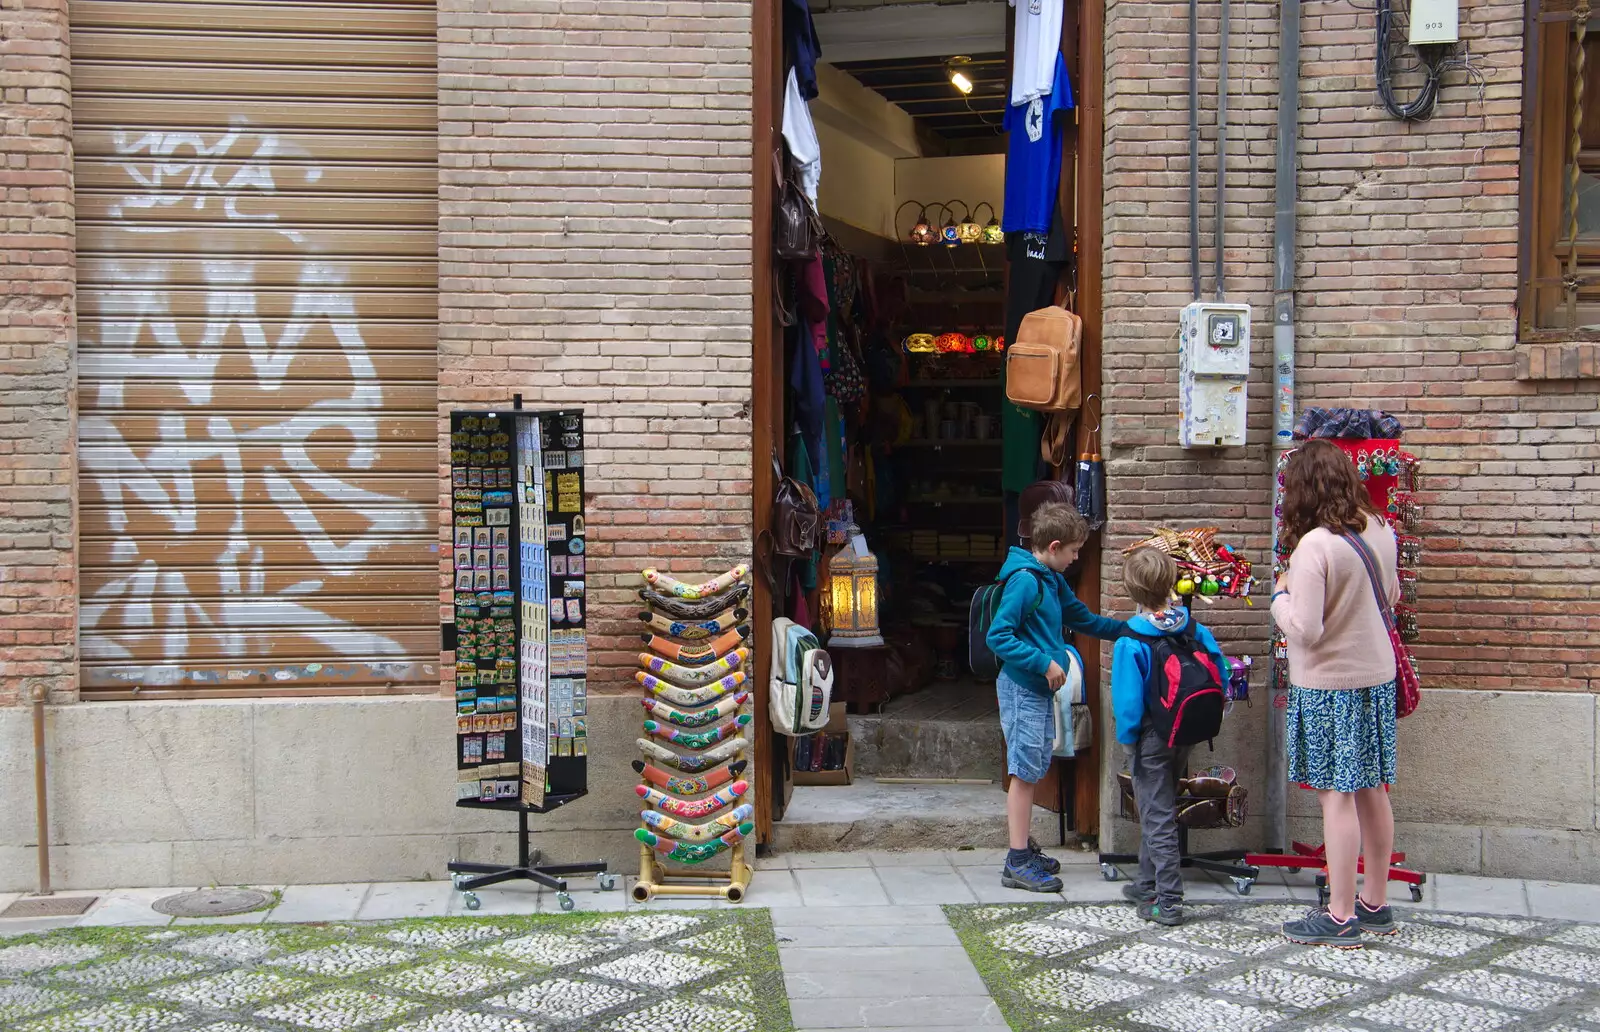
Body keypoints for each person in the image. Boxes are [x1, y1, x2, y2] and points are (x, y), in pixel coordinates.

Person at [1272, 439, 1401, 947]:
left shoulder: (1314, 548)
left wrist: (1279, 598)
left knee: (1336, 797)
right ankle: (1375, 903)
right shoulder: (1381, 529)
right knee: (1372, 791)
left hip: (1329, 685)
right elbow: (1389, 597)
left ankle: (1340, 914)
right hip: (1375, 680)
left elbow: (1304, 629)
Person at [986, 502, 1129, 891]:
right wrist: (1043, 663)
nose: (1077, 557)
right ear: (1053, 546)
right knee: (1024, 771)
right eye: (1074, 551)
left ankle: (1022, 850)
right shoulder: (1026, 582)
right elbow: (998, 637)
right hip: (1021, 689)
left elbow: (1082, 619)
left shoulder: (1050, 579)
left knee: (1032, 766)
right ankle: (1016, 861)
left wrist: (1131, 631)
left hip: (1036, 690)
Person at [1111, 547, 1230, 927]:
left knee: (1156, 812)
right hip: (1186, 730)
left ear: (1132, 590)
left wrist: (1127, 738)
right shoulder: (1193, 627)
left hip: (1149, 735)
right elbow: (1221, 671)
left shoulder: (1132, 639)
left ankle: (1168, 899)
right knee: (1159, 806)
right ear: (1170, 582)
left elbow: (1127, 702)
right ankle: (1146, 883)